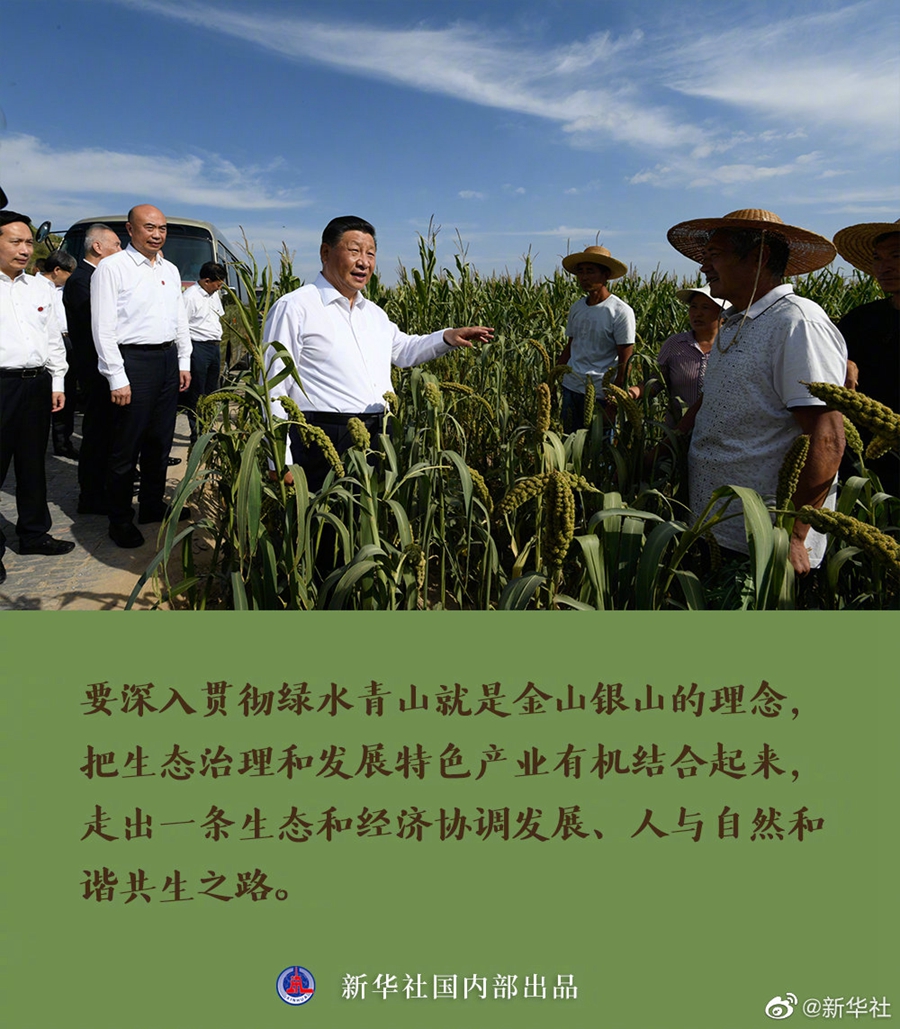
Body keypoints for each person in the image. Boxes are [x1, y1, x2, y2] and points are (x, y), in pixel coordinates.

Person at [666, 208, 847, 574]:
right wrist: (669, 443)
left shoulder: (797, 323)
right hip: (715, 523)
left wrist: (793, 535)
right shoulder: (735, 322)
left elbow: (827, 438)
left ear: (759, 256)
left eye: (714, 255)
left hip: (762, 538)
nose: (703, 267)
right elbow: (715, 399)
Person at [263, 215, 494, 490]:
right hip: (322, 440)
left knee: (369, 515)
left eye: (370, 254)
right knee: (325, 517)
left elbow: (403, 350)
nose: (364, 262)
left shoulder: (374, 314)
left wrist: (447, 337)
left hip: (377, 436)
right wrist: (279, 459)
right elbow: (273, 386)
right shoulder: (295, 307)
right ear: (325, 253)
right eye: (354, 251)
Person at [90, 204, 191, 548]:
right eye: (149, 227)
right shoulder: (112, 268)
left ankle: (151, 504)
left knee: (160, 440)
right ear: (130, 230)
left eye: (162, 228)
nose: (157, 234)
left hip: (167, 360)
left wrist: (183, 360)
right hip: (133, 361)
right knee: (125, 445)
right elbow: (102, 327)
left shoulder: (170, 269)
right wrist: (116, 376)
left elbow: (179, 318)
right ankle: (119, 518)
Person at [0, 211, 75, 584]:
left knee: (32, 464)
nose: (25, 250)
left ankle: (33, 534)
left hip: (36, 384)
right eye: (15, 241)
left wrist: (57, 381)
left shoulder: (39, 288)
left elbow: (52, 338)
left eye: (29, 242)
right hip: (2, 385)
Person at [832, 219, 899, 496]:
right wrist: (842, 362)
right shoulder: (861, 320)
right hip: (863, 469)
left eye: (896, 256)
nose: (884, 267)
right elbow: (822, 360)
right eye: (878, 258)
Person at [62, 223, 122, 514]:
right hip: (94, 369)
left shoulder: (95, 276)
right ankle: (91, 495)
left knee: (109, 432)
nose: (120, 250)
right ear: (98, 247)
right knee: (97, 434)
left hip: (103, 367)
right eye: (116, 245)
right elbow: (98, 324)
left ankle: (105, 486)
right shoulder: (82, 280)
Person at [556, 245, 635, 433]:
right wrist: (553, 378)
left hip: (601, 394)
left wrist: (614, 401)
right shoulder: (577, 308)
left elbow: (625, 362)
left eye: (590, 271)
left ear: (605, 275)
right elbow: (571, 346)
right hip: (571, 387)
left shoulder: (620, 311)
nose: (584, 277)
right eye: (580, 271)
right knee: (569, 442)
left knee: (600, 447)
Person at [628, 284, 726, 426]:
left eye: (705, 308)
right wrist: (629, 393)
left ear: (722, 314)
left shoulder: (732, 346)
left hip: (719, 430)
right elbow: (656, 382)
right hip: (677, 431)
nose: (697, 313)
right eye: (693, 307)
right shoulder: (675, 344)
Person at [181, 261, 226, 446]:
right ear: (207, 281)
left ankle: (207, 429)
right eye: (218, 283)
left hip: (214, 346)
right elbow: (181, 326)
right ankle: (197, 436)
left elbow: (217, 318)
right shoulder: (190, 297)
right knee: (197, 394)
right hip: (198, 347)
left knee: (211, 392)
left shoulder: (213, 295)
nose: (219, 287)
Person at [40, 250, 79, 458]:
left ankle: (63, 441)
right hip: (42, 345)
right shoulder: (34, 288)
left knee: (66, 392)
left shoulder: (64, 290)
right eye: (69, 272)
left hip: (66, 341)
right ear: (57, 270)